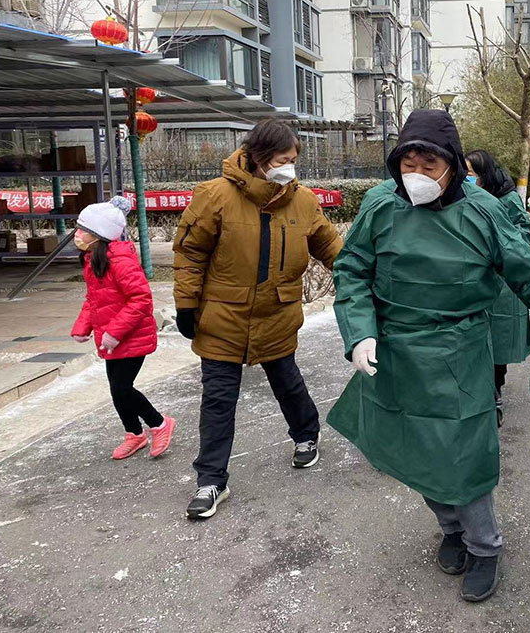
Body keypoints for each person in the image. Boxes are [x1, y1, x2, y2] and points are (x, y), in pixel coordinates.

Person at [327, 110, 530, 603]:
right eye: (408, 163)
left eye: (430, 163)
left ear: (452, 165)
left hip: (459, 349)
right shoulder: (381, 205)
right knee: (414, 447)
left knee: (464, 455)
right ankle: (450, 528)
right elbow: (353, 268)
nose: (418, 175)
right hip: (396, 349)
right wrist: (359, 333)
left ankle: (485, 546)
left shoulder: (483, 211)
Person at [173, 120, 344, 520]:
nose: (290, 167)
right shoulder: (214, 196)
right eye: (284, 160)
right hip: (223, 317)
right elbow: (190, 253)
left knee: (287, 382)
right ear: (260, 157)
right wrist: (185, 304)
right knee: (218, 399)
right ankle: (211, 480)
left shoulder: (302, 201)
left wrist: (367, 279)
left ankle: (306, 436)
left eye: (294, 160)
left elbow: (331, 247)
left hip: (277, 313)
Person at [71, 197, 175, 460]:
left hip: (130, 336)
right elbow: (94, 299)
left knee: (122, 388)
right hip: (112, 338)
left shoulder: (120, 260)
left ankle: (159, 424)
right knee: (116, 389)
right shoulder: (93, 259)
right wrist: (83, 327)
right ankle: (134, 434)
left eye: (84, 230)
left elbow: (141, 299)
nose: (78, 235)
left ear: (100, 236)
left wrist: (115, 332)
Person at [464, 149, 530, 427]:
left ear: (484, 175)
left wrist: (499, 246)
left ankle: (494, 391)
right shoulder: (464, 198)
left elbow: (524, 233)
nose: (464, 180)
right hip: (474, 278)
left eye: (469, 175)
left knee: (498, 340)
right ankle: (486, 390)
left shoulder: (506, 199)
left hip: (502, 281)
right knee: (478, 338)